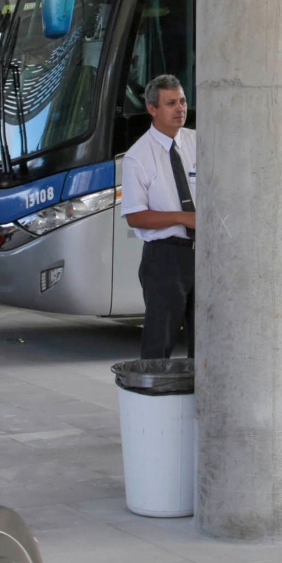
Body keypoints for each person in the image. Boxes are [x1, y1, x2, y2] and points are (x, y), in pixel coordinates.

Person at [120, 75, 197, 359]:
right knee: (159, 340)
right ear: (152, 109)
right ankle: (152, 399)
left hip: (204, 255)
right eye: (171, 103)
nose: (180, 109)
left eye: (182, 101)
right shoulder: (137, 156)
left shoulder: (197, 142)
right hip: (165, 258)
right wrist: (184, 218)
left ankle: (198, 401)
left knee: (207, 341)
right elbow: (135, 216)